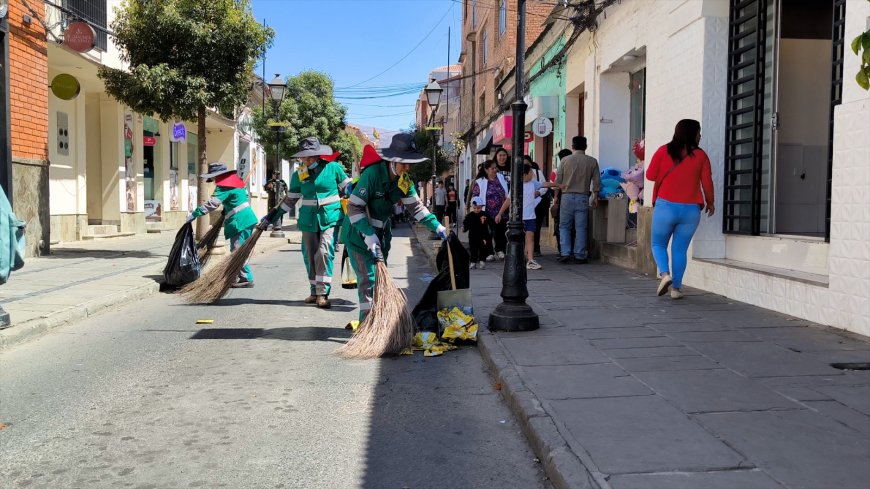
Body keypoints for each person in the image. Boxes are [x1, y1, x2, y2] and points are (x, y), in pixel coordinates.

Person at [342, 137, 447, 323]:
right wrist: (368, 234)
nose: (407, 169)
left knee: (380, 281)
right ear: (393, 161)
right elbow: (354, 208)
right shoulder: (372, 175)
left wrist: (437, 226)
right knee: (369, 281)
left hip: (381, 235)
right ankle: (368, 326)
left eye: (410, 165)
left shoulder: (404, 180)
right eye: (404, 165)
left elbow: (416, 208)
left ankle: (378, 321)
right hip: (359, 235)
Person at [267, 137, 352, 309]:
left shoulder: (333, 168)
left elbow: (349, 188)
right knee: (310, 256)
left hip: (330, 217)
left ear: (319, 155)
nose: (307, 160)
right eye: (304, 157)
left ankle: (322, 293)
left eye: (311, 156)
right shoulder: (299, 174)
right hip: (308, 220)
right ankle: (314, 291)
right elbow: (290, 199)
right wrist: (272, 217)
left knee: (324, 252)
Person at [646, 119, 715, 300]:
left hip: (666, 206)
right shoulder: (701, 155)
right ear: (691, 134)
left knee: (658, 244)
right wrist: (710, 202)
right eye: (698, 132)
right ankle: (676, 289)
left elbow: (650, 175)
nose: (700, 135)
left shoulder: (663, 151)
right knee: (679, 250)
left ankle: (665, 275)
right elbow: (707, 182)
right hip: (691, 210)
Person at [187, 162, 259, 287]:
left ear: (218, 175)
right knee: (240, 249)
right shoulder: (236, 181)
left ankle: (246, 278)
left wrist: (194, 214)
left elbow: (212, 204)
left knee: (237, 250)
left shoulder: (224, 185)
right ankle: (239, 275)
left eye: (213, 176)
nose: (213, 180)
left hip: (239, 221)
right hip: (247, 218)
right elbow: (240, 198)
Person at [496, 163, 561, 270]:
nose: (532, 174)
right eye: (530, 172)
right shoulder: (516, 186)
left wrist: (558, 185)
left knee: (530, 237)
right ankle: (517, 258)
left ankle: (530, 260)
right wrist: (500, 213)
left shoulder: (533, 183)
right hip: (518, 218)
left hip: (530, 217)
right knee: (517, 239)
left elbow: (544, 184)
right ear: (523, 175)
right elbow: (508, 200)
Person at [555, 136, 600, 264]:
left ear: (572, 146)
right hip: (583, 197)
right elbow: (596, 181)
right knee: (581, 227)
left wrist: (556, 198)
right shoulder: (592, 161)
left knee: (564, 226)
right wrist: (595, 197)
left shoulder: (565, 160)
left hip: (566, 197)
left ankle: (565, 253)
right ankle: (580, 254)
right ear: (585, 147)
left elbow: (558, 181)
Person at [471, 159, 509, 261]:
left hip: (502, 211)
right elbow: (475, 196)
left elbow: (507, 192)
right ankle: (489, 252)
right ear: (487, 170)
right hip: (487, 211)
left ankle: (500, 250)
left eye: (496, 168)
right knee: (487, 233)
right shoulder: (480, 182)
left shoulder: (501, 178)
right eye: (493, 168)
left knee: (501, 231)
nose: (495, 170)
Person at [524, 156, 550, 257]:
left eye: (527, 163)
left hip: (538, 204)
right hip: (526, 205)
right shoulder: (519, 174)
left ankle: (535, 248)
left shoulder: (537, 173)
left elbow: (544, 185)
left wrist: (538, 192)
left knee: (537, 226)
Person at [553, 148, 573, 255]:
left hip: (563, 199)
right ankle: (575, 251)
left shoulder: (560, 168)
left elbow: (557, 183)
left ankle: (563, 251)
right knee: (576, 226)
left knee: (562, 225)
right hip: (580, 197)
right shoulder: (576, 167)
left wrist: (555, 197)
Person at [462, 197, 492, 270]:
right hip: (472, 236)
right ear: (472, 207)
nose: (476, 210)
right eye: (474, 208)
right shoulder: (469, 216)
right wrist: (464, 229)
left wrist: (491, 231)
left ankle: (482, 262)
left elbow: (491, 223)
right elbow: (466, 224)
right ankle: (473, 262)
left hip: (483, 236)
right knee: (473, 249)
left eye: (478, 208)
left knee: (483, 249)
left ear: (481, 207)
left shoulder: (485, 215)